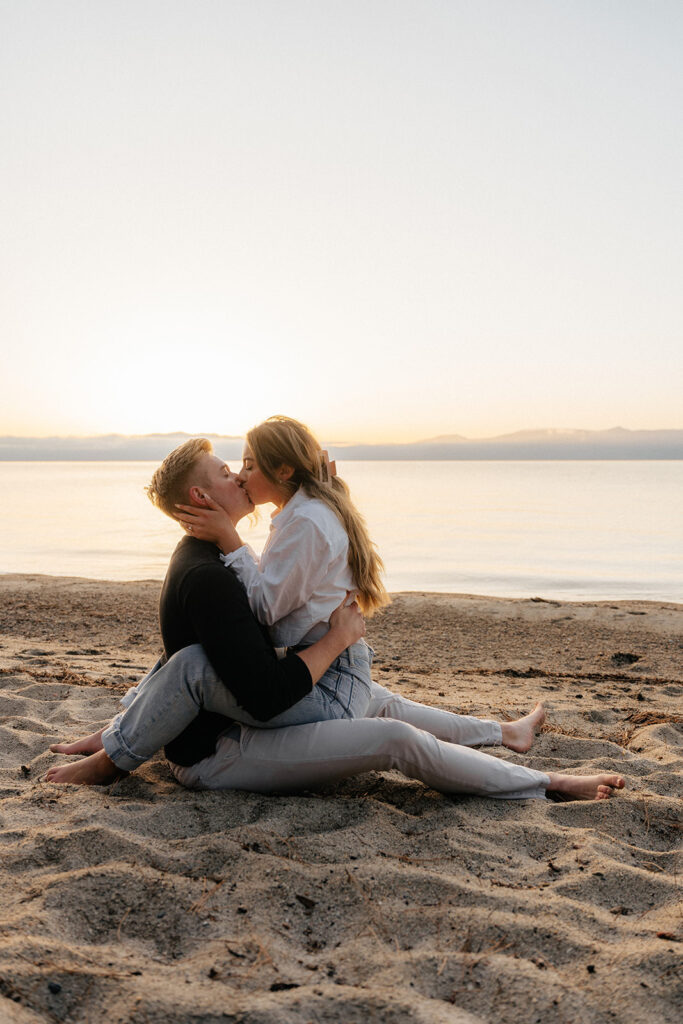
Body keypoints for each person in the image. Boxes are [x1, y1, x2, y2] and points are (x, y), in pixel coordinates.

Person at [46, 436, 625, 802]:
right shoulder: (210, 577)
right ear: (200, 498)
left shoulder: (208, 561)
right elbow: (253, 687)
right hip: (223, 754)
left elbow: (190, 654)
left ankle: (506, 734)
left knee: (380, 699)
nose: (240, 477)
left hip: (235, 724)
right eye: (227, 471)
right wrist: (340, 637)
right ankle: (544, 785)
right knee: (393, 734)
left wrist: (123, 723)